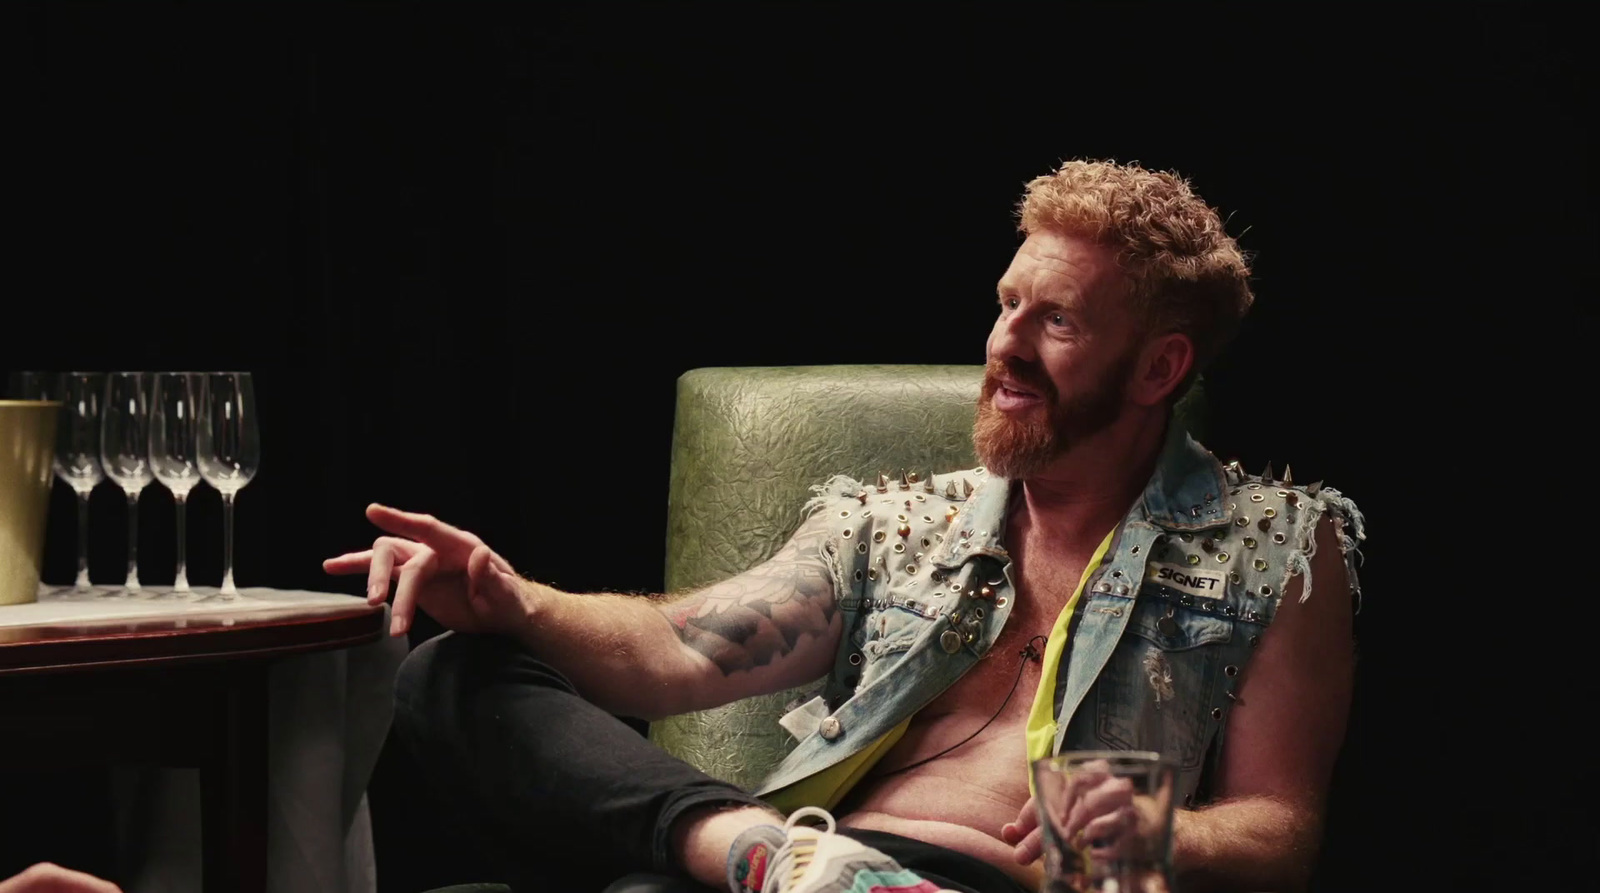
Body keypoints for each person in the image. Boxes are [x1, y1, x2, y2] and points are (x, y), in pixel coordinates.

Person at [326, 159, 1366, 893]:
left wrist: (1163, 838)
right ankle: (746, 845)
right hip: (805, 858)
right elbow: (677, 650)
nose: (1002, 346)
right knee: (454, 673)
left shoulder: (1276, 545)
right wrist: (514, 597)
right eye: (1007, 304)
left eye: (1056, 320)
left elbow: (1282, 834)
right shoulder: (903, 520)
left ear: (1159, 368)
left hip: (1015, 877)